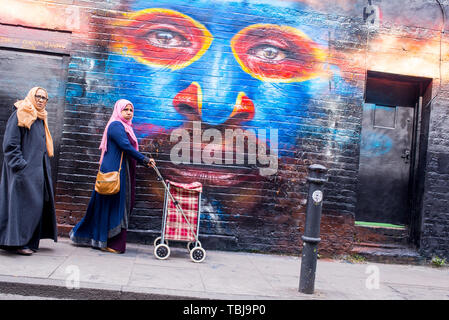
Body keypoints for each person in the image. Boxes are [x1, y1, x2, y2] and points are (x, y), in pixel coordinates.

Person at [70, 99, 155, 253]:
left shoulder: (126, 127)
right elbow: (125, 146)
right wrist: (144, 160)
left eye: (131, 110)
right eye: (125, 110)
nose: (129, 113)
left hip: (121, 170)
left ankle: (106, 240)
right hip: (114, 172)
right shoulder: (116, 125)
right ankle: (108, 242)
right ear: (118, 111)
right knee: (114, 206)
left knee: (114, 206)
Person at [0, 87, 58, 256]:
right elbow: (10, 144)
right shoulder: (21, 112)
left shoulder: (40, 117)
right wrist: (20, 166)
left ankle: (28, 241)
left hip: (37, 172)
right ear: (31, 96)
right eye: (38, 96)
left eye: (44, 98)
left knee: (35, 206)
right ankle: (18, 243)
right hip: (23, 172)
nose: (41, 100)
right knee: (22, 207)